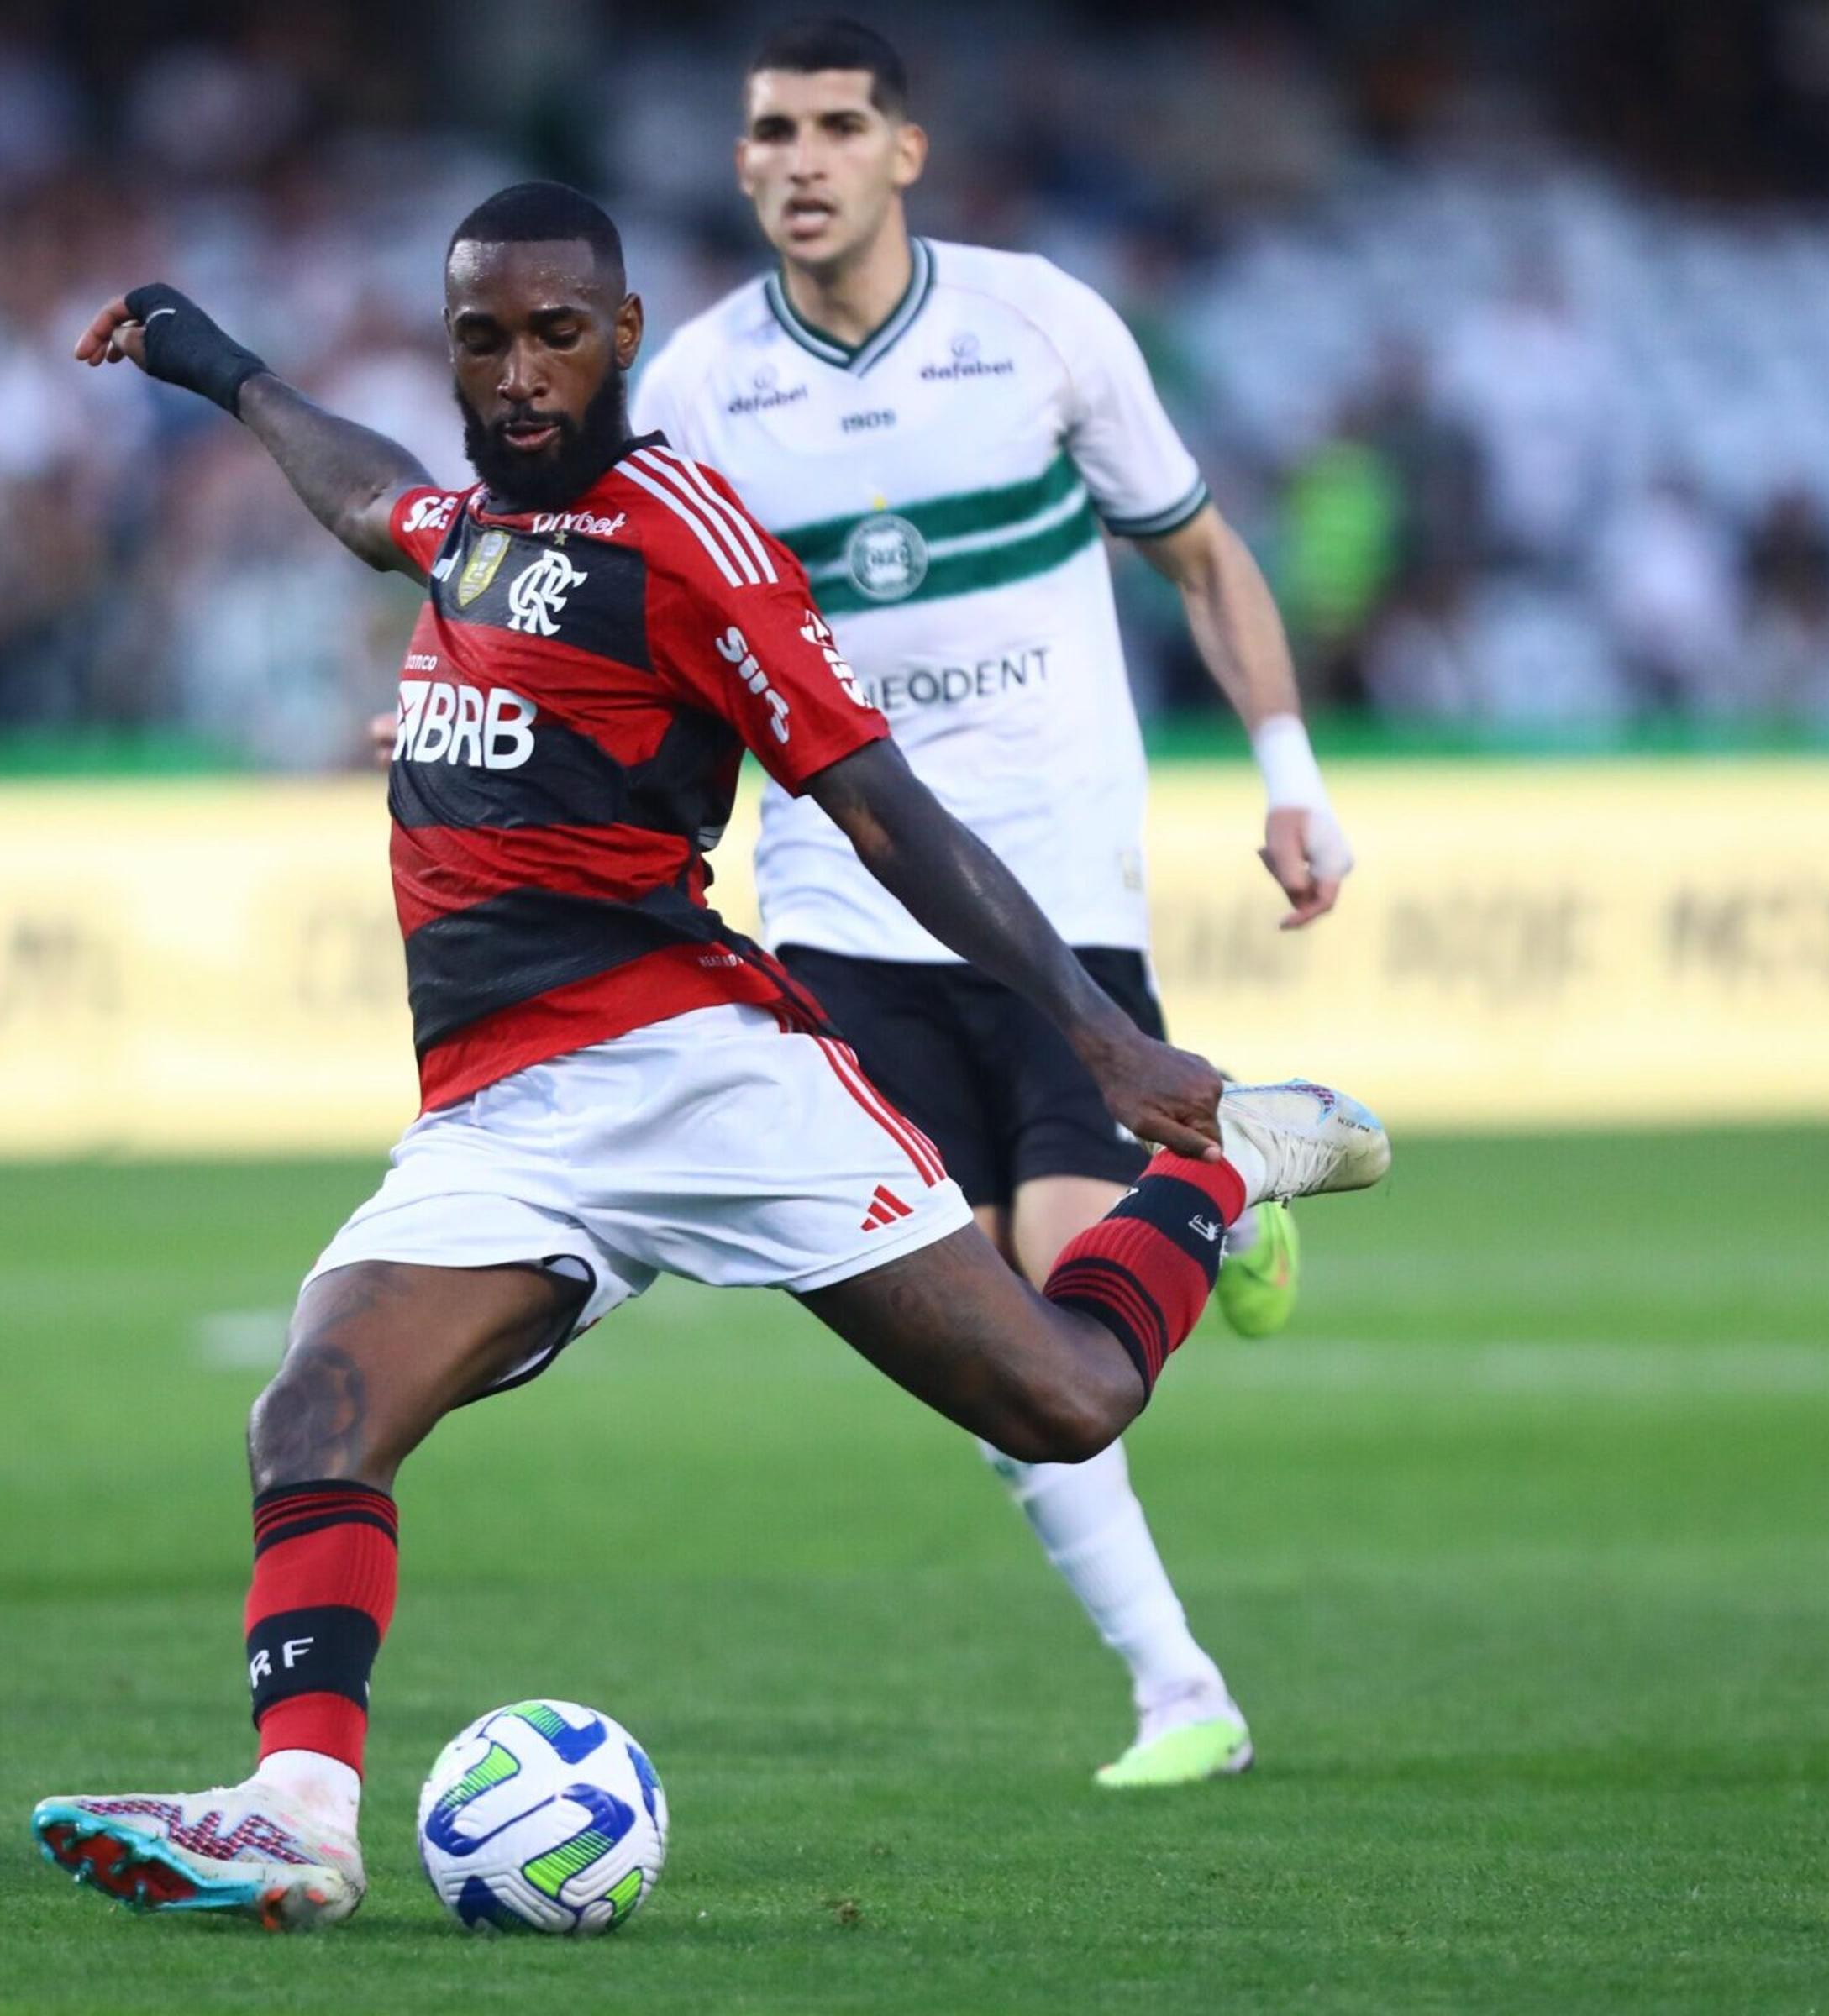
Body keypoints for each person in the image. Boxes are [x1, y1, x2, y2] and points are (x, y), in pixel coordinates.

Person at [30, 179, 1388, 1931]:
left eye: (554, 337)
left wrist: (1105, 1041)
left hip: (698, 1072)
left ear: (621, 342)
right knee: (313, 1420)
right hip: (501, 1118)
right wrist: (214, 365)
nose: (519, 372)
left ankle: (1224, 1167)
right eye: (482, 339)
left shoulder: (687, 535)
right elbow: (371, 497)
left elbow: (885, 807)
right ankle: (299, 1813)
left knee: (1066, 1401)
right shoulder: (473, 528)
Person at [628, 17, 1359, 1789]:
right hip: (836, 906)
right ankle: (1183, 1688)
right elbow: (641, 641)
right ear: (741, 165)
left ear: (905, 152)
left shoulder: (1039, 325)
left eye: (833, 127)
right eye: (768, 133)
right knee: (996, 1344)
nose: (796, 160)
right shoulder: (701, 389)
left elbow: (1198, 550)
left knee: (1051, 1283)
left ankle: (1218, 1189)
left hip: (1056, 903)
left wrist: (1290, 774)